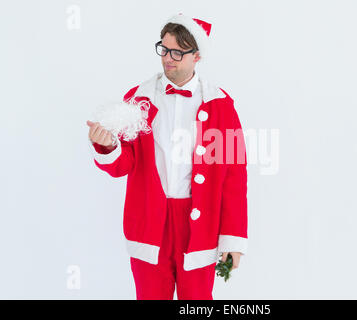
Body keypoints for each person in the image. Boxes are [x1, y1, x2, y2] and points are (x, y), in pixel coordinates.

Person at [86, 13, 248, 300]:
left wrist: (232, 239)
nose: (167, 58)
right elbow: (125, 164)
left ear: (196, 56)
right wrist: (108, 146)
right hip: (150, 222)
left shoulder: (221, 105)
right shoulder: (138, 99)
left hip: (199, 227)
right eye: (164, 49)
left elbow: (234, 178)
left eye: (177, 52)